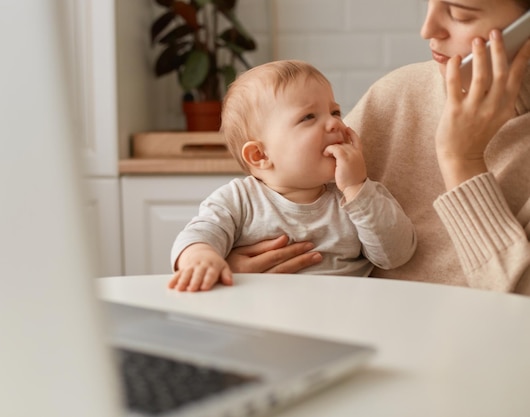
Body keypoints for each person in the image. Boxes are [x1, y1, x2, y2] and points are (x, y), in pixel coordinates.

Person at [225, 0, 530, 295]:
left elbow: (519, 305)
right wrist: (235, 265)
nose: (428, 29)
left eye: (460, 14)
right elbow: (287, 205)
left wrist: (461, 159)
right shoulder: (396, 95)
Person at [168, 60, 417, 292]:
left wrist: (356, 187)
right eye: (309, 117)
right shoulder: (238, 200)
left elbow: (395, 256)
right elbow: (198, 235)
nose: (334, 124)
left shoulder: (357, 196)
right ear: (259, 155)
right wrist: (202, 258)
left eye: (335, 112)